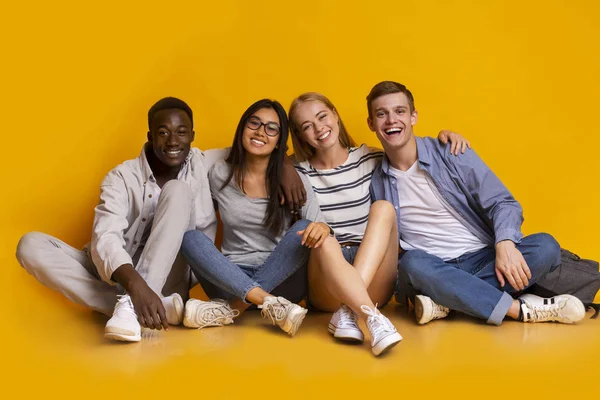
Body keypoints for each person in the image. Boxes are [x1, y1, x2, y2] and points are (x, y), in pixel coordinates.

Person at [15, 97, 305, 342]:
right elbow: (106, 236)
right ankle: (152, 307)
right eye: (163, 133)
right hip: (118, 272)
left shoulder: (204, 163)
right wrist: (135, 287)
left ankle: (133, 307)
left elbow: (258, 148)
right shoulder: (121, 177)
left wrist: (287, 167)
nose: (173, 141)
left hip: (169, 275)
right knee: (30, 245)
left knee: (177, 191)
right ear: (150, 136)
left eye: (181, 132)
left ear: (193, 136)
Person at [367, 81, 586, 326]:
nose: (391, 120)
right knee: (411, 263)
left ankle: (447, 300)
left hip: (484, 258)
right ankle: (518, 309)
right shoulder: (375, 179)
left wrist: (504, 244)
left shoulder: (451, 152)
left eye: (400, 111)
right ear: (371, 124)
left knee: (546, 246)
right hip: (433, 268)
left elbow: (503, 202)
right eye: (381, 114)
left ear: (413, 116)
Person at [287, 92, 469, 355]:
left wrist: (445, 138)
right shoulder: (295, 171)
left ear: (335, 115)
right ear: (300, 134)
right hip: (326, 279)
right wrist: (283, 164)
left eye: (322, 117)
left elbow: (408, 151)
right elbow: (259, 155)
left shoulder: (369, 158)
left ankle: (351, 311)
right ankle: (371, 318)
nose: (318, 128)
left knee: (383, 208)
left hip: (373, 272)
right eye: (306, 126)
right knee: (324, 239)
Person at [180, 99, 329, 337]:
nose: (261, 132)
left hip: (284, 282)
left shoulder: (295, 180)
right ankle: (268, 303)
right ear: (242, 128)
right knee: (190, 238)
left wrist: (321, 228)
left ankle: (232, 310)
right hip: (230, 279)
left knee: (305, 226)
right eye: (254, 123)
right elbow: (191, 160)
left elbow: (319, 224)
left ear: (280, 139)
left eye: (271, 128)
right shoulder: (219, 172)